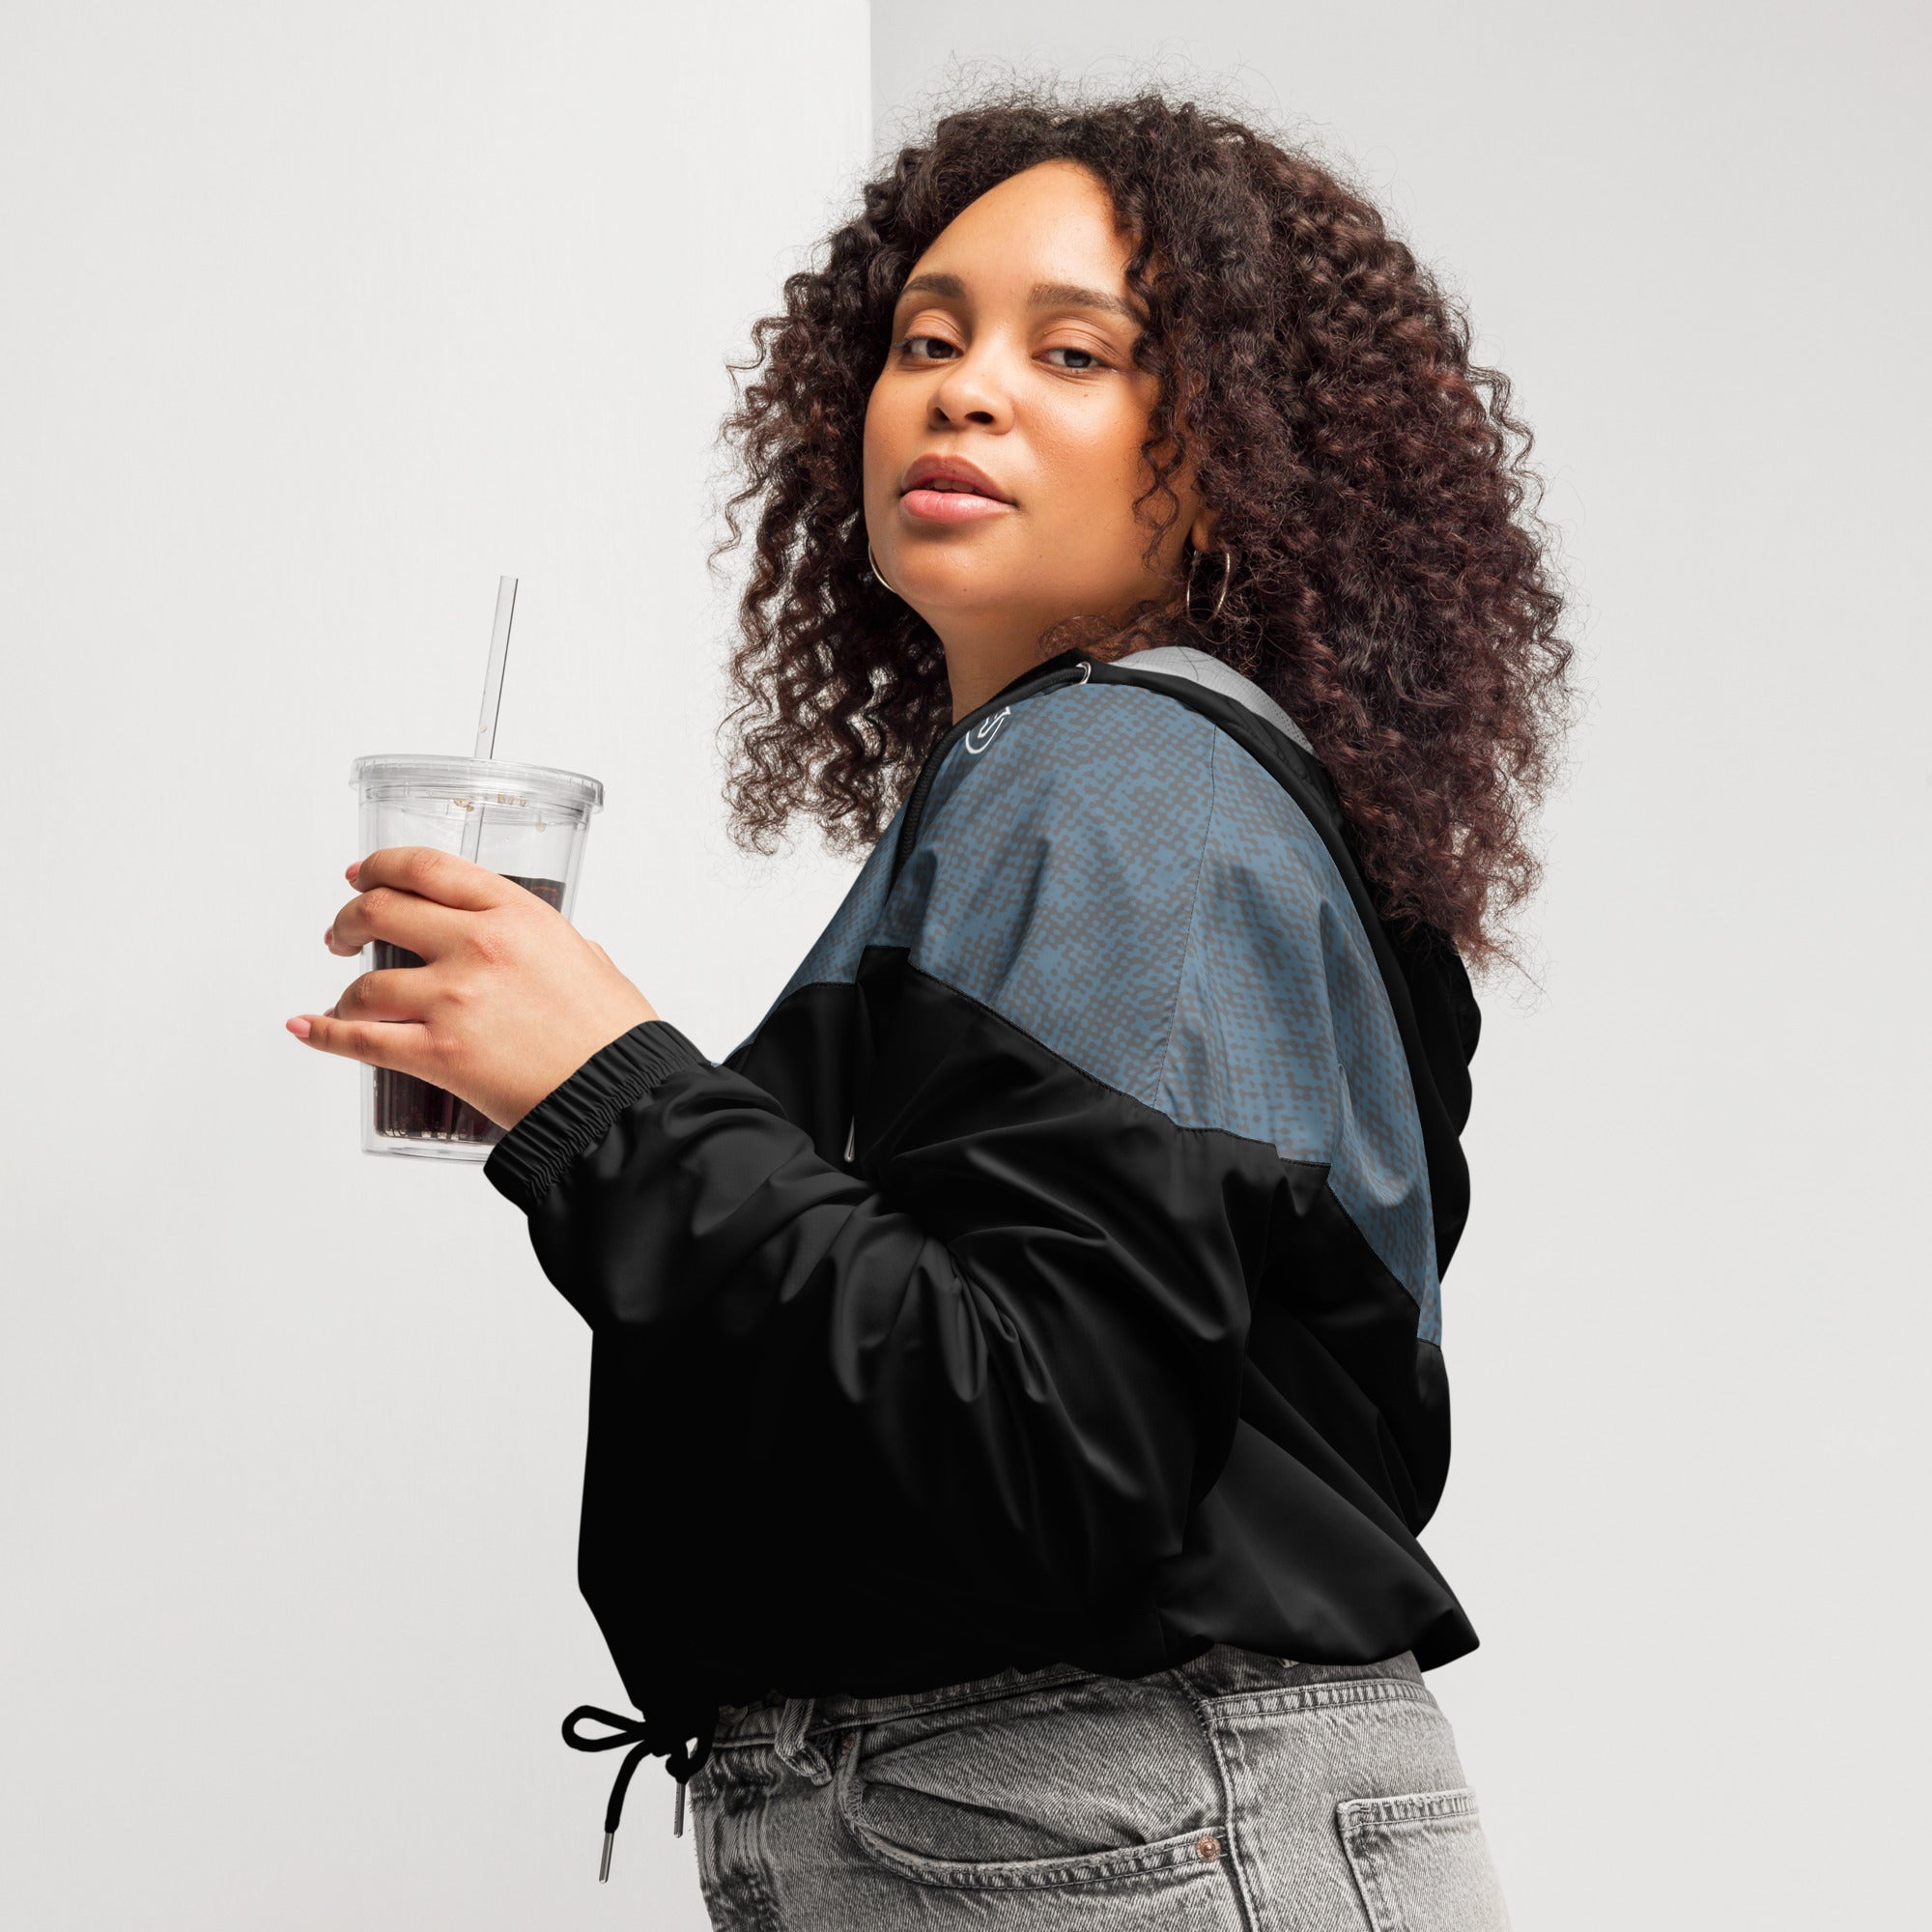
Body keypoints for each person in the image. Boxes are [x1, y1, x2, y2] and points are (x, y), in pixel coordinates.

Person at [290, 86, 1572, 1932]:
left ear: (1236, 442)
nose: (964, 390)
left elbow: (1044, 1446)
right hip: (1113, 1824)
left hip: (1100, 1832)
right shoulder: (1177, 788)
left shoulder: (1112, 776)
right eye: (926, 338)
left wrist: (609, 1090)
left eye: (1075, 352)